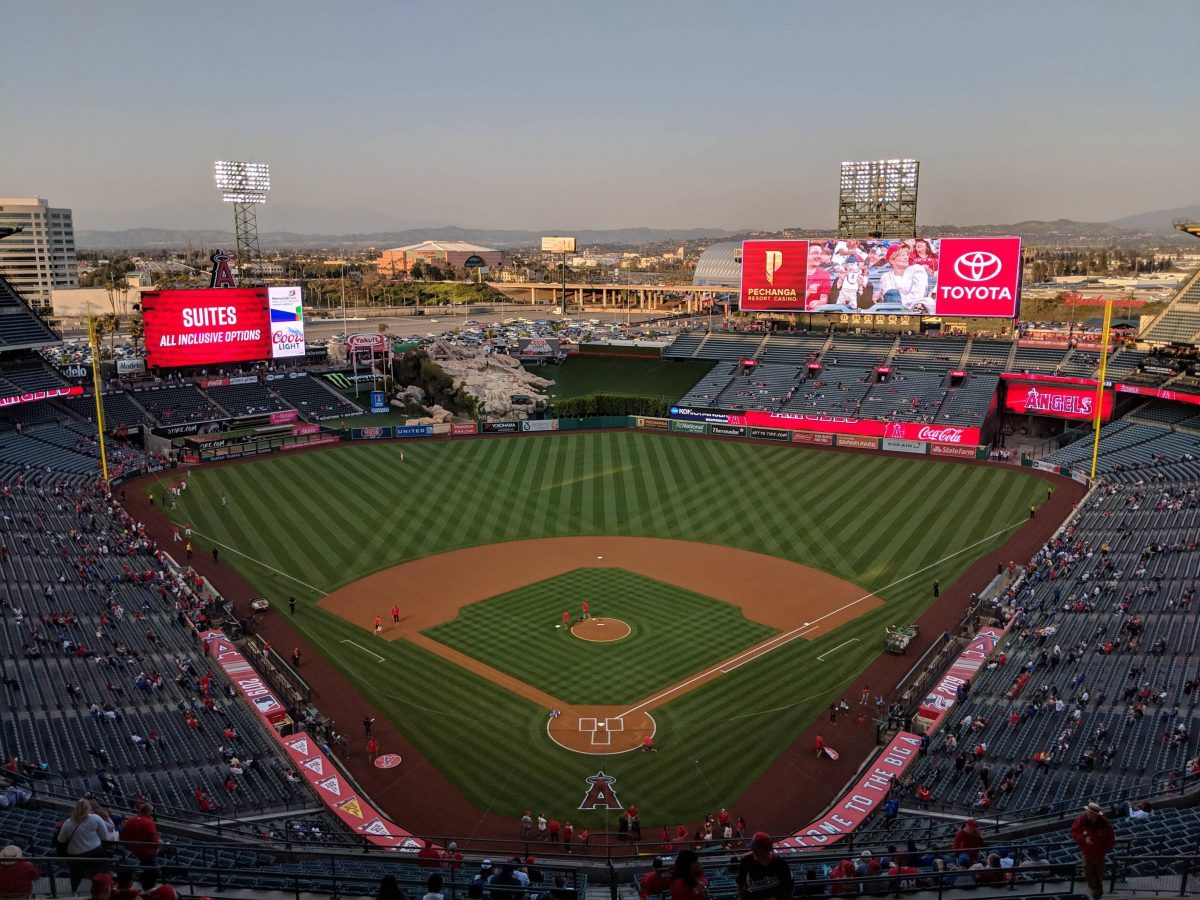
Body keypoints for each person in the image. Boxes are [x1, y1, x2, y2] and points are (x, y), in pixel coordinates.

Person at [57, 798, 117, 892]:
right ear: (88, 808)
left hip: (75, 855)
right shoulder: (95, 818)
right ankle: (100, 891)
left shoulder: (68, 822)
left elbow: (61, 840)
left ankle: (74, 893)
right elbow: (104, 837)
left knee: (76, 876)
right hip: (95, 852)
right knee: (99, 872)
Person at [1071, 802, 1115, 900]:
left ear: (1096, 814)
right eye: (1088, 812)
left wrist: (1103, 848)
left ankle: (1098, 891)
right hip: (1086, 853)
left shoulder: (1104, 822)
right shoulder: (1081, 819)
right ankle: (1094, 891)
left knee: (1099, 874)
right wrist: (1083, 838)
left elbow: (1110, 838)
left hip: (1099, 854)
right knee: (1089, 874)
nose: (1088, 814)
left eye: (1091, 813)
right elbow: (1074, 833)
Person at [736, 832, 793, 900]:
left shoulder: (780, 864)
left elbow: (789, 888)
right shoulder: (746, 862)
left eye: (756, 849)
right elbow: (740, 884)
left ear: (767, 849)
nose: (753, 851)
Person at [119, 803, 161, 887]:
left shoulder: (131, 820)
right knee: (153, 872)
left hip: (131, 850)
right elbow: (154, 841)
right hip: (145, 852)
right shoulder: (148, 822)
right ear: (149, 812)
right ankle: (148, 886)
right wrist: (159, 846)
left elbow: (123, 835)